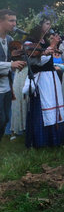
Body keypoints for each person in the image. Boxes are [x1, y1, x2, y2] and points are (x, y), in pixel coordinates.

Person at [22, 31, 64, 148]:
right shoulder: (30, 42)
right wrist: (51, 46)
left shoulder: (45, 41)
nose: (48, 28)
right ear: (39, 25)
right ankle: (41, 141)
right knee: (43, 106)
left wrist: (52, 47)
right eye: (46, 24)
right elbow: (36, 62)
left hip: (51, 78)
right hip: (40, 79)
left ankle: (55, 140)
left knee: (54, 105)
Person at [3, 10, 27, 138]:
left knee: (6, 117)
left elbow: (11, 61)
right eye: (11, 20)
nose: (14, 24)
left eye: (15, 21)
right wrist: (10, 65)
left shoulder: (10, 39)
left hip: (6, 83)